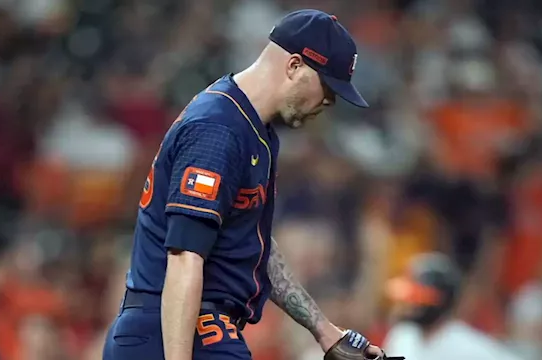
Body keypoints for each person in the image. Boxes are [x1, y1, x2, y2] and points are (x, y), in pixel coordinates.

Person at [102, 9, 391, 360]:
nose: (329, 102)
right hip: (173, 330)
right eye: (327, 87)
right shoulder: (219, 129)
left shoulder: (253, 130)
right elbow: (184, 257)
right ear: (295, 66)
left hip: (198, 328)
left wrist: (325, 331)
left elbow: (253, 244)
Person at [381, 252, 521, 360]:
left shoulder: (466, 346)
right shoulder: (401, 335)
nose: (407, 305)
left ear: (440, 302)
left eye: (416, 299)